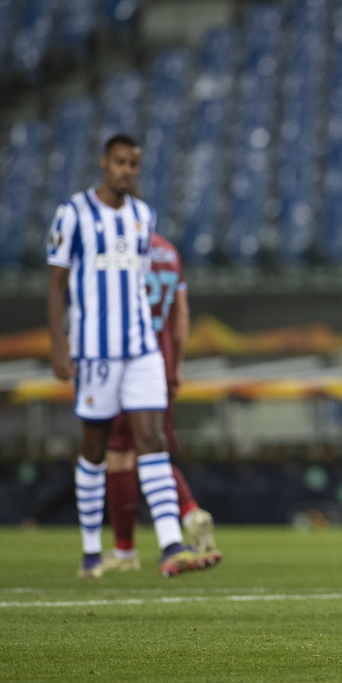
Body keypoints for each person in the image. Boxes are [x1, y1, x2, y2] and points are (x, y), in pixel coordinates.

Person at [46, 134, 219, 579]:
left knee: (151, 444)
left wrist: (167, 363)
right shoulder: (73, 213)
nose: (126, 170)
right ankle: (91, 550)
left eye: (134, 164)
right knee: (95, 450)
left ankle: (169, 546)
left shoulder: (144, 218)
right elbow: (57, 285)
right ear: (104, 162)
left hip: (142, 350)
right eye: (120, 162)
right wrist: (60, 347)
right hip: (96, 351)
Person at [101, 232, 220, 572]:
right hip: (161, 364)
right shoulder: (168, 250)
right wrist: (176, 364)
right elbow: (181, 317)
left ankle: (125, 552)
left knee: (121, 455)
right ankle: (190, 511)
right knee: (152, 452)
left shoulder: (116, 250)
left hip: (126, 364)